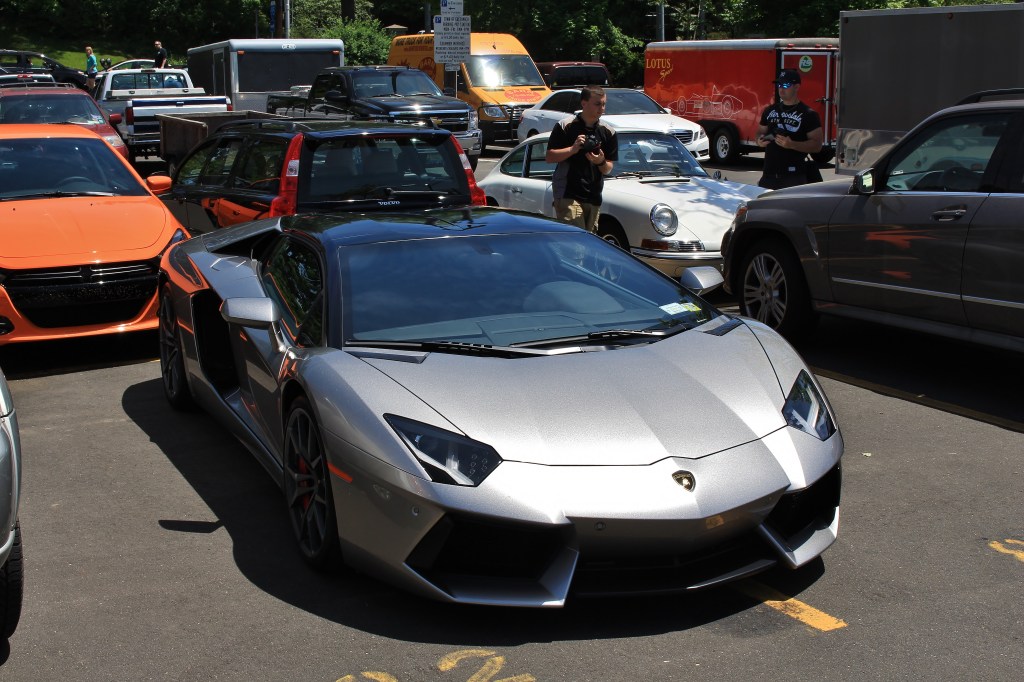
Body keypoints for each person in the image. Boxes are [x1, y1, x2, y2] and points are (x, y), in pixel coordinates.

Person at [545, 86, 618, 233]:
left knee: (589, 242)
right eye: (597, 104)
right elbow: (549, 157)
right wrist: (572, 149)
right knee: (574, 240)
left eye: (604, 104)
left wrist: (601, 162)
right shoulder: (565, 126)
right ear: (584, 103)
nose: (602, 108)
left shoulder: (608, 132)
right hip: (568, 193)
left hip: (593, 196)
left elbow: (608, 168)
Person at [756, 68, 823, 190]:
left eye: (786, 85)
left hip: (794, 177)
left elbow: (817, 145)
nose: (781, 89)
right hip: (768, 176)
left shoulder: (808, 114)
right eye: (779, 85)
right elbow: (760, 132)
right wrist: (759, 140)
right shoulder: (770, 110)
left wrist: (792, 144)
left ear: (797, 87)